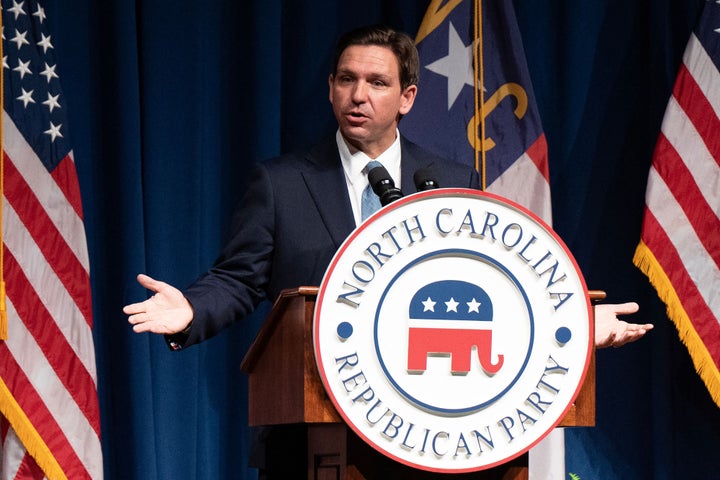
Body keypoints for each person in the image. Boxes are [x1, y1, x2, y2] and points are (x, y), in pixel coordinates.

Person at [124, 24, 652, 477]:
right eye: (347, 79)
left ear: (407, 98)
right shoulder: (282, 183)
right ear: (330, 88)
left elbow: (490, 293)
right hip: (311, 441)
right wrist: (192, 309)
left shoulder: (451, 184)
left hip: (436, 437)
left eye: (378, 82)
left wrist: (573, 325)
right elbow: (239, 280)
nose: (360, 95)